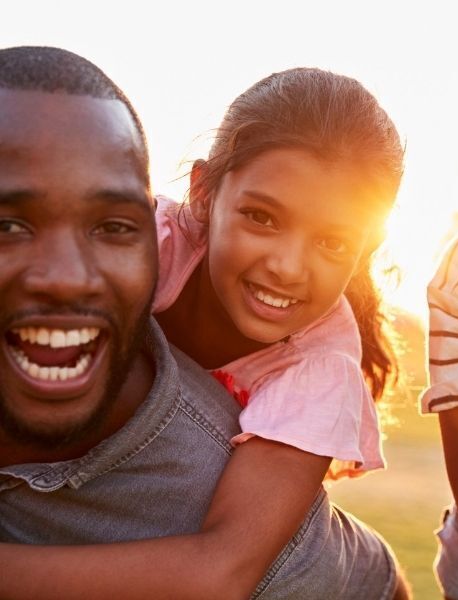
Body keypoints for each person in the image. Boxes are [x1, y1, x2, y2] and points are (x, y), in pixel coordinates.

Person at [0, 46, 406, 599]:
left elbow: (223, 571)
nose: (287, 266)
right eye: (262, 217)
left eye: (333, 242)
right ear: (203, 192)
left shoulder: (320, 366)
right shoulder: (152, 243)